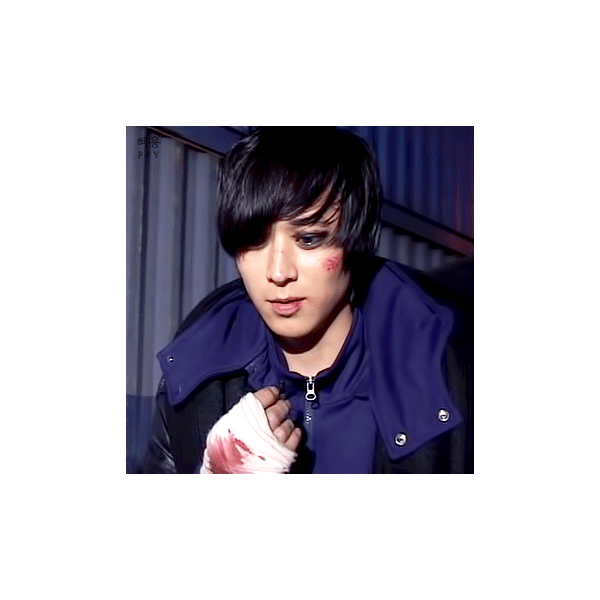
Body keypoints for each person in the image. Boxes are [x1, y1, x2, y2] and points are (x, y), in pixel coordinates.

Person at [137, 126, 473, 474]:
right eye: (254, 241)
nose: (278, 272)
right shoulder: (198, 365)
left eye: (309, 239)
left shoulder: (453, 371)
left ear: (357, 240)